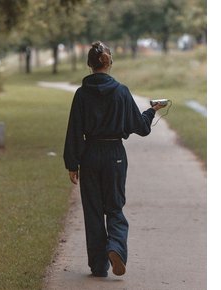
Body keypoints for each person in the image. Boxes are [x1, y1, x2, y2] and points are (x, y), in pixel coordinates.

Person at [63, 41, 165, 277]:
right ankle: (116, 247)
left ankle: (99, 266)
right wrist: (152, 111)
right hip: (114, 155)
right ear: (110, 63)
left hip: (89, 155)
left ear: (89, 64)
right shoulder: (121, 91)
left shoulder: (81, 94)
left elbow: (74, 130)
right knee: (115, 207)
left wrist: (72, 163)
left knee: (93, 211)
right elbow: (139, 127)